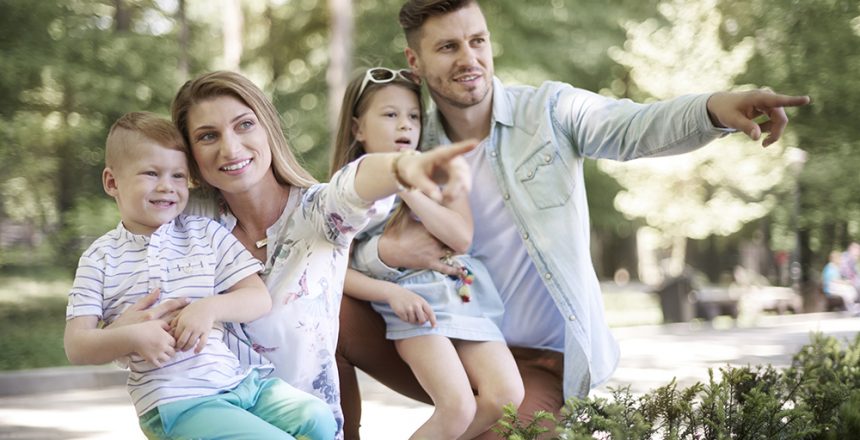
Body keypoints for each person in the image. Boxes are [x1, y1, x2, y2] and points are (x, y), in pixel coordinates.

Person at [335, 1, 812, 438]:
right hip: (443, 337)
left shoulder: (548, 112)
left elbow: (632, 127)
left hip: (538, 363)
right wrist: (384, 252)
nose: (469, 58)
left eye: (477, 40)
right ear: (414, 61)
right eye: (448, 46)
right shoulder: (407, 135)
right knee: (327, 309)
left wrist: (714, 110)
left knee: (500, 429)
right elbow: (342, 232)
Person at [167, 70, 476, 439]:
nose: (230, 148)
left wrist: (401, 167)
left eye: (244, 125)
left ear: (268, 129)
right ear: (190, 153)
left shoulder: (316, 213)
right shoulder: (184, 223)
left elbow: (353, 185)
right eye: (207, 136)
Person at [64, 112, 337, 439]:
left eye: (178, 176)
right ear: (112, 182)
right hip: (177, 401)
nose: (167, 186)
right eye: (151, 173)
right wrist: (132, 337)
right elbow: (77, 345)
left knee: (318, 418)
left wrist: (207, 308)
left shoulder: (205, 234)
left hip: (238, 384)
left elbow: (257, 297)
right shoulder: (100, 258)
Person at [330, 67, 524, 439]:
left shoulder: (441, 172)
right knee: (457, 406)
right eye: (390, 115)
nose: (405, 125)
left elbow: (460, 237)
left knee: (506, 397)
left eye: (413, 116)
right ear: (357, 129)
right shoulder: (351, 192)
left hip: (466, 299)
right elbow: (337, 267)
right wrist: (391, 292)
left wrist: (408, 187)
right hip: (414, 309)